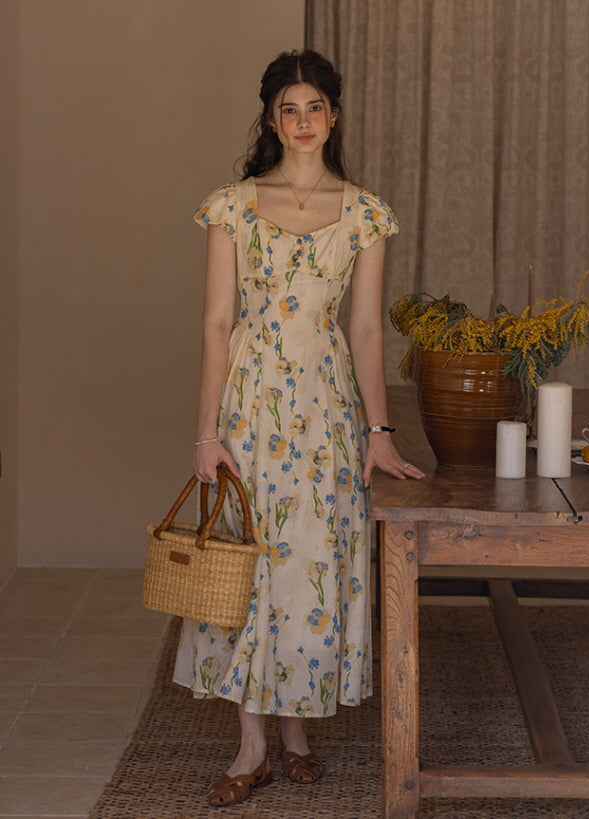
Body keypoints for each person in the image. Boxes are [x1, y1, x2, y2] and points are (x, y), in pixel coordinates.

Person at [172, 48, 425, 807]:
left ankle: (296, 734)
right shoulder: (234, 205)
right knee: (251, 566)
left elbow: (369, 333)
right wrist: (205, 433)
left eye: (315, 107)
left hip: (327, 411)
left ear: (334, 116)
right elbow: (218, 322)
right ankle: (252, 743)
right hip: (251, 407)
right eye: (290, 108)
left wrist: (379, 431)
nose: (304, 121)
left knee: (312, 566)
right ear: (273, 119)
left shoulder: (364, 211)